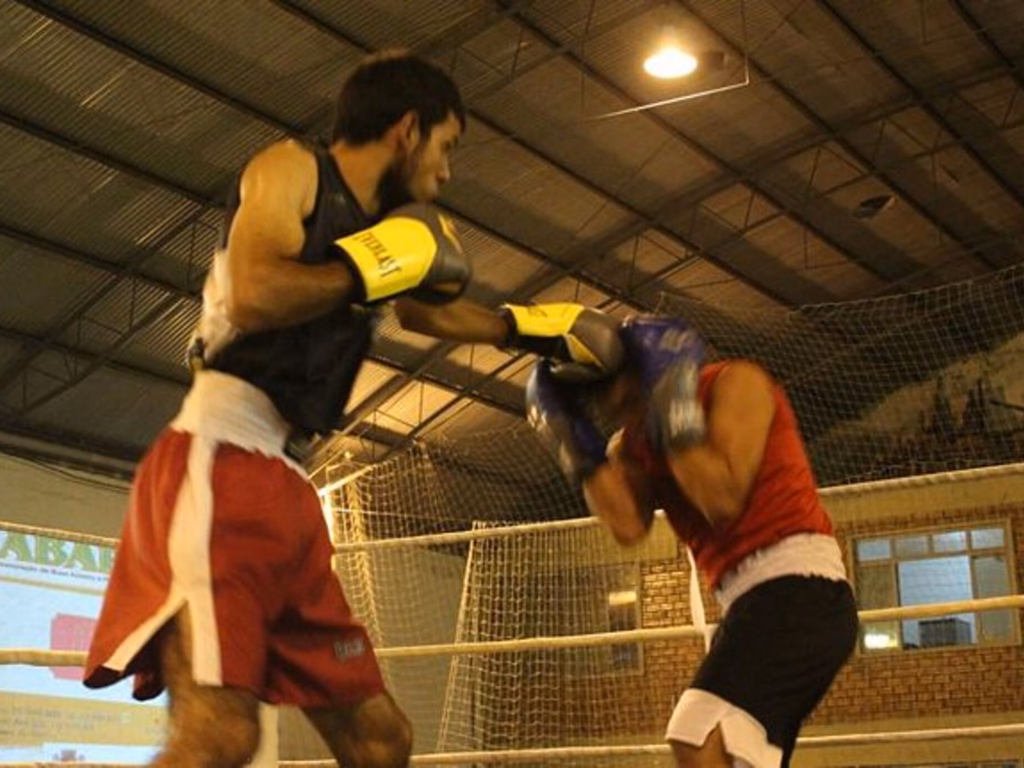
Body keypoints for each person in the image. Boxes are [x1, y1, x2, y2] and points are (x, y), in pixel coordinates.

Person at [83, 51, 623, 768]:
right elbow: (251, 293)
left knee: (380, 741)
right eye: (446, 146)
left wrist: (534, 327)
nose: (448, 170)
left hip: (284, 484)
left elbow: (429, 314)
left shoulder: (389, 228)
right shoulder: (289, 168)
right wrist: (366, 267)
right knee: (219, 736)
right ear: (407, 129)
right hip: (217, 459)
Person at [526, 315, 859, 768]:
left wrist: (673, 410)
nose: (607, 406)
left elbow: (720, 498)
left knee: (696, 733)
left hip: (801, 587)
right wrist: (572, 442)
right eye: (594, 398)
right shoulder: (629, 445)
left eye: (612, 388)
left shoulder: (736, 383)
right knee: (732, 755)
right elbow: (627, 527)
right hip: (753, 602)